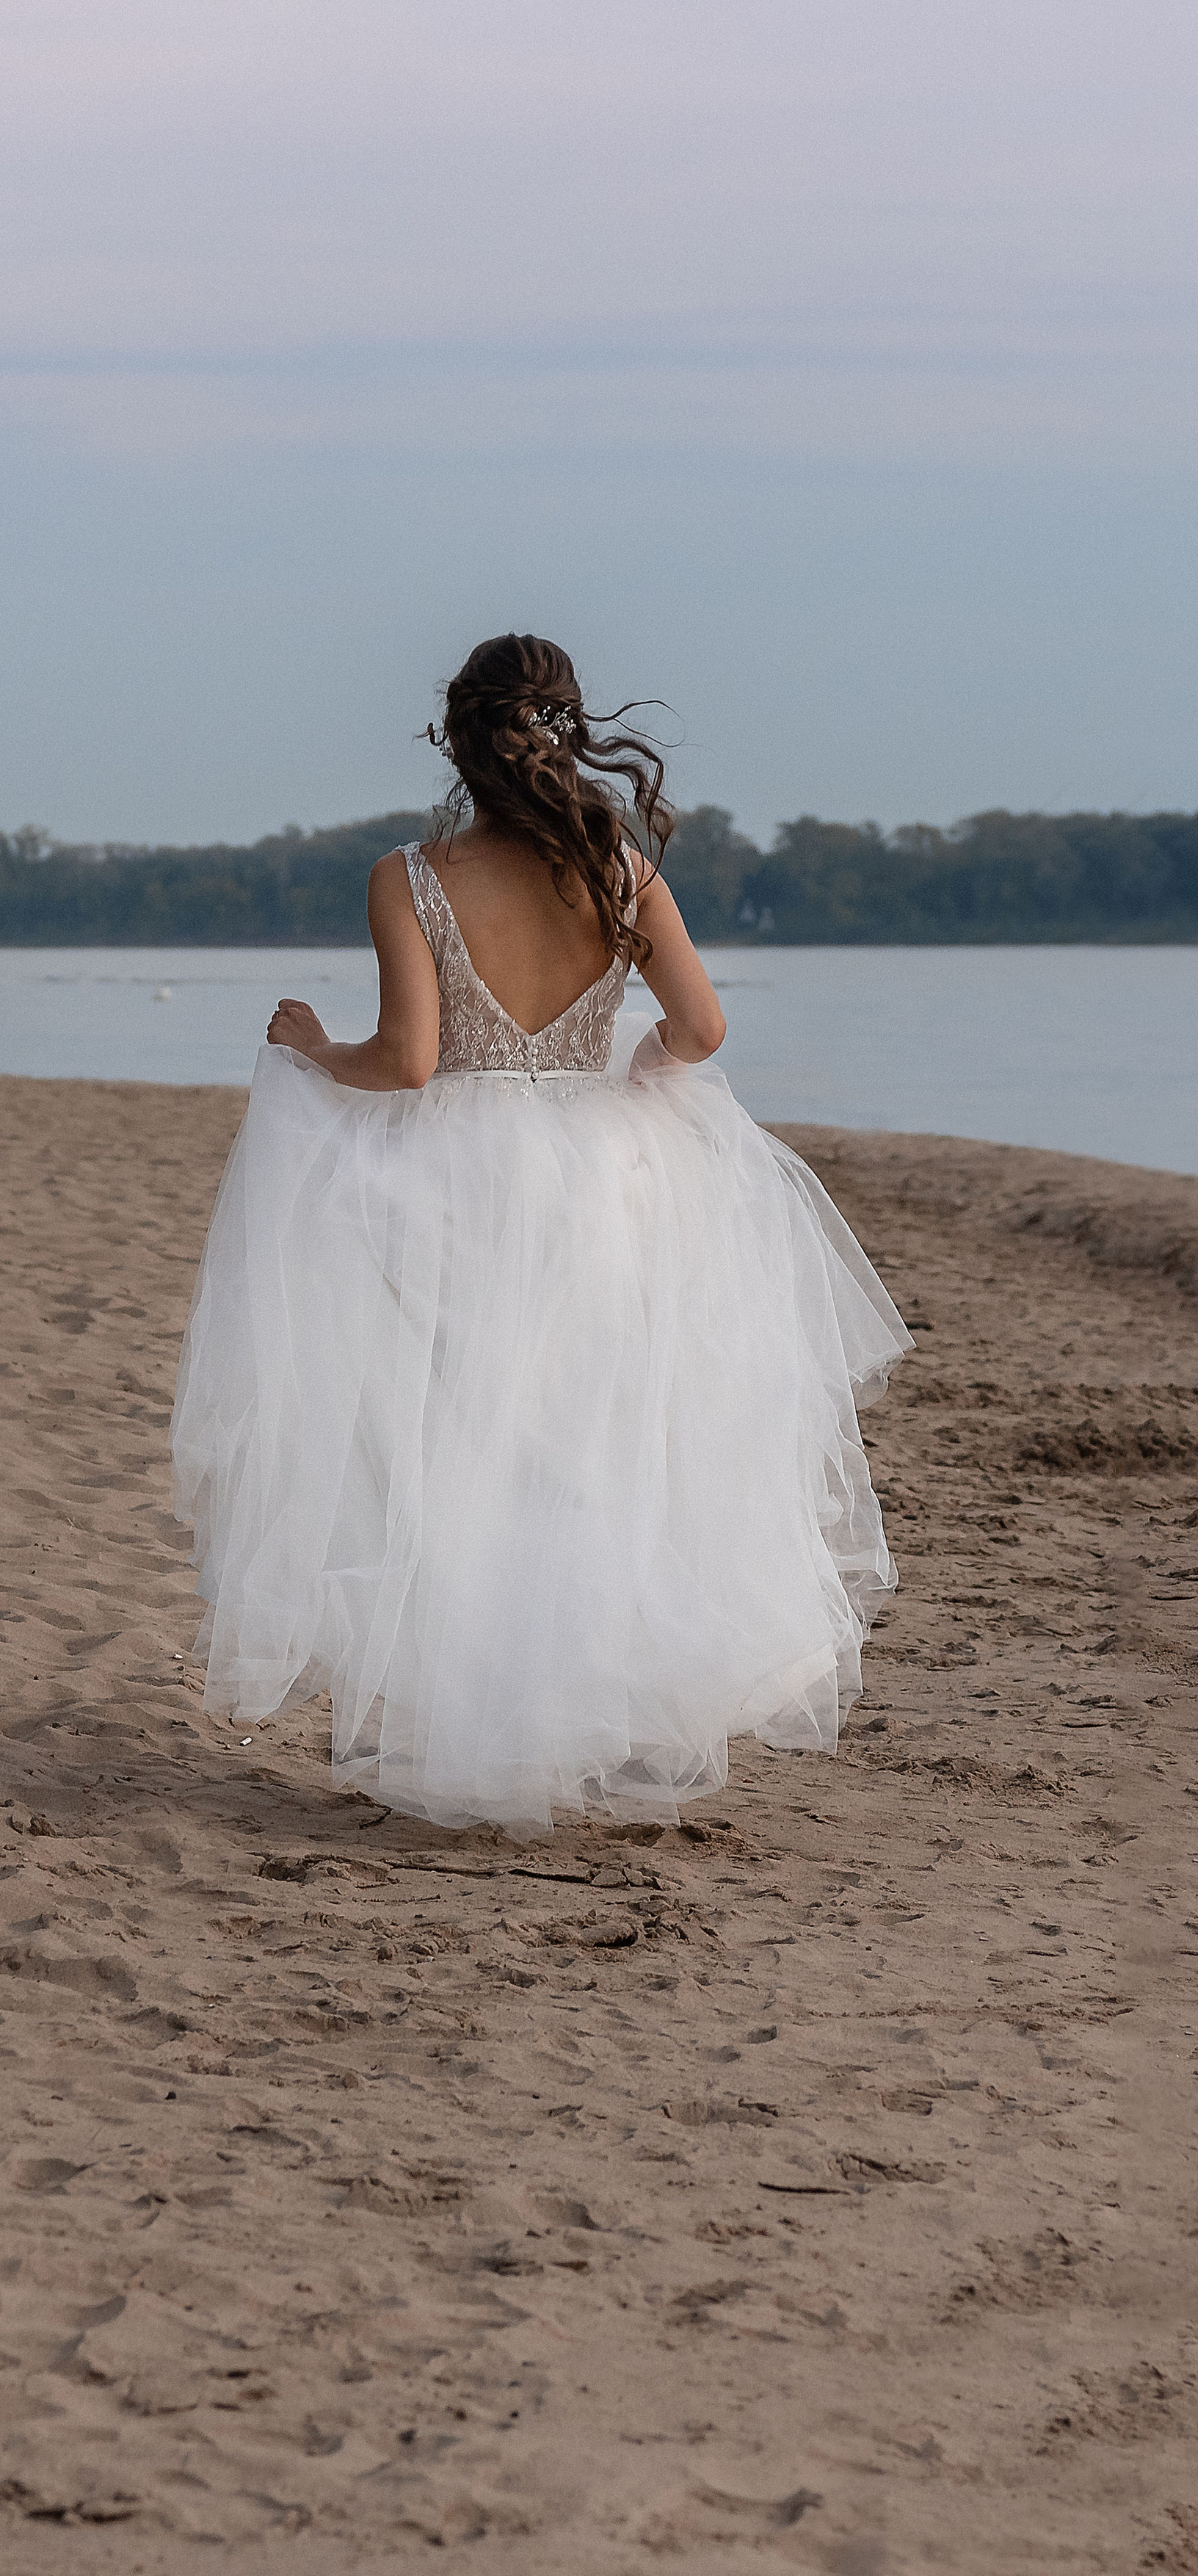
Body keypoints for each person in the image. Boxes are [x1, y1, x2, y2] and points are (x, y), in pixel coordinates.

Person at [170, 632, 911, 1837]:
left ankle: (488, 1733)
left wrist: (309, 1049)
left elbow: (408, 1062)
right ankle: (599, 1723)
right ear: (567, 731)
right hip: (606, 1173)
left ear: (457, 743)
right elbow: (704, 1028)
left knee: (472, 1457)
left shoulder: (409, 876)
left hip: (459, 1186)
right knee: (598, 1447)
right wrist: (633, 1071)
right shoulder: (616, 867)